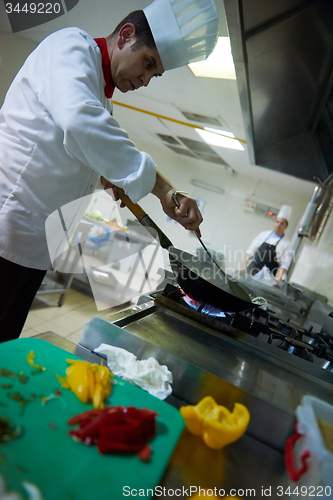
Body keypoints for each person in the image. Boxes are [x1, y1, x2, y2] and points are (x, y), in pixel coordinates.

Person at [0, 0, 219, 342]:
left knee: (5, 342)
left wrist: (102, 175)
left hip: (34, 245)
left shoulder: (104, 99)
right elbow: (78, 121)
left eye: (154, 74)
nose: (145, 80)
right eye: (148, 64)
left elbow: (77, 143)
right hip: (8, 225)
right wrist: (165, 191)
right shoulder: (72, 45)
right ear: (126, 35)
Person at [240, 205, 293, 286]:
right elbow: (251, 251)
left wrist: (278, 280)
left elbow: (284, 264)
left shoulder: (287, 244)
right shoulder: (263, 234)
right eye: (277, 222)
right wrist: (243, 266)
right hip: (251, 272)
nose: (278, 225)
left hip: (268, 280)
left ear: (286, 226)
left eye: (282, 223)